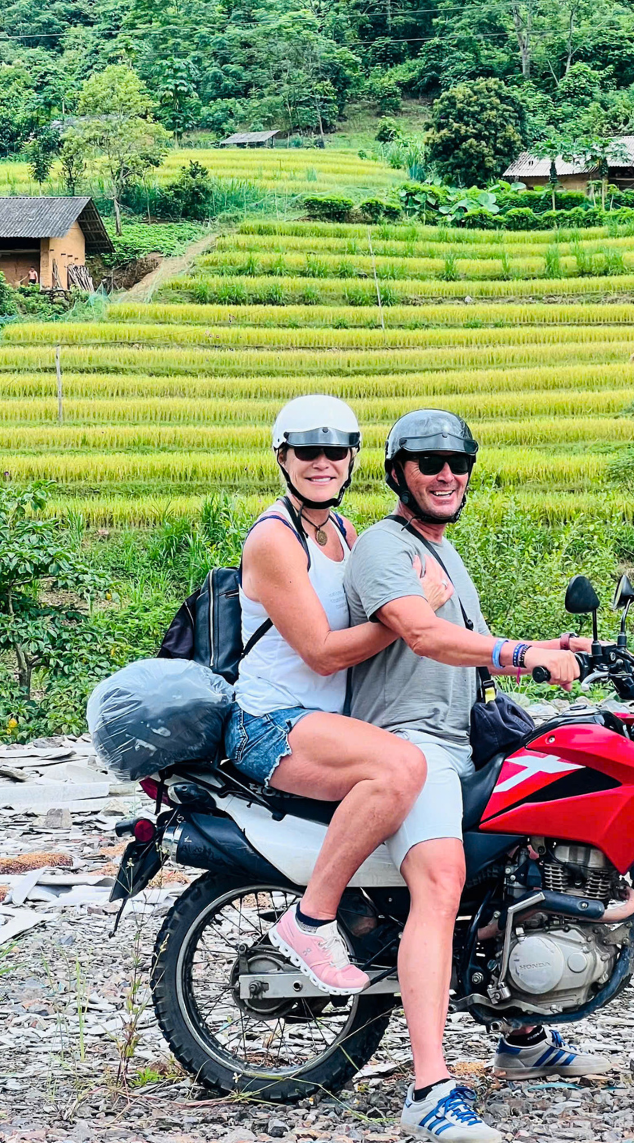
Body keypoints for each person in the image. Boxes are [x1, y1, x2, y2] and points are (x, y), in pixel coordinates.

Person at [344, 409, 612, 1143]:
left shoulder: (445, 553)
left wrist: (546, 645)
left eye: (458, 462)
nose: (446, 474)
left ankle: (519, 1034)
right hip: (411, 748)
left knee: (537, 851)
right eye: (428, 462)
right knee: (441, 884)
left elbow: (465, 644)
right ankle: (428, 1091)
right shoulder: (382, 548)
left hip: (464, 741)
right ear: (399, 473)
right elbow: (422, 633)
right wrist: (521, 652)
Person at [224, 394, 452, 996]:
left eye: (336, 451)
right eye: (307, 451)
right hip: (272, 721)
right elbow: (322, 651)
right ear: (282, 457)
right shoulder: (275, 540)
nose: (322, 462)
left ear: (353, 459)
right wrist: (416, 614)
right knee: (403, 766)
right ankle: (309, 920)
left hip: (329, 719)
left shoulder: (345, 533)